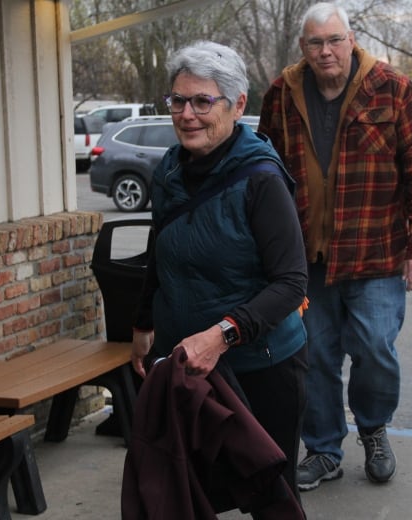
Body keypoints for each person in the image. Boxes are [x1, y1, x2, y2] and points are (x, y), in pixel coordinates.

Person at [258, 2, 412, 491]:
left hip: (376, 251)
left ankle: (374, 428)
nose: (326, 52)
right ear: (304, 47)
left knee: (375, 348)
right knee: (315, 356)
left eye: (334, 40)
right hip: (304, 258)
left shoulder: (394, 89)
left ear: (352, 39)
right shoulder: (281, 93)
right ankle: (323, 450)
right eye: (316, 43)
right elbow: (262, 170)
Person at [128, 40, 309, 516]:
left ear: (238, 105)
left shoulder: (260, 179)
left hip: (260, 370)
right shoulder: (169, 168)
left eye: (202, 101)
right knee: (183, 492)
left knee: (271, 498)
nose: (187, 114)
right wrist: (144, 325)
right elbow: (160, 251)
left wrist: (222, 335)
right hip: (187, 368)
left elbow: (291, 283)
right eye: (177, 100)